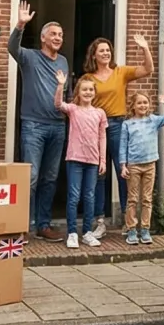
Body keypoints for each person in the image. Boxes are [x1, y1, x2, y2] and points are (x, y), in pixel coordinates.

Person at [74, 35, 155, 237]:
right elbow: (78, 102)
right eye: (101, 50)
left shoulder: (121, 72)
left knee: (123, 171)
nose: (105, 53)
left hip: (118, 125)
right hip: (97, 127)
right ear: (94, 54)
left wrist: (145, 48)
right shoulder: (88, 78)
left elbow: (148, 69)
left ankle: (129, 223)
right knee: (99, 174)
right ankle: (100, 221)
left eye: (108, 50)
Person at [9, 2, 70, 240]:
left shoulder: (63, 61)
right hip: (33, 125)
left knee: (50, 178)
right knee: (31, 178)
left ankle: (43, 225)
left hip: (58, 126)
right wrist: (21, 25)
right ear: (43, 38)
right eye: (53, 34)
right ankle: (22, 226)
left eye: (61, 35)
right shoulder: (30, 58)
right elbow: (12, 48)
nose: (58, 37)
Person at [53, 76, 109, 248]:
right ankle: (71, 233)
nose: (88, 92)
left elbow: (102, 136)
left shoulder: (100, 113)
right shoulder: (73, 109)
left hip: (92, 160)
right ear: (78, 91)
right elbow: (58, 104)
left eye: (91, 89)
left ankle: (87, 232)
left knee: (89, 196)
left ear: (94, 93)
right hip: (75, 159)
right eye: (84, 89)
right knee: (74, 196)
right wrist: (61, 85)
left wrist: (103, 160)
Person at [119, 90, 164, 244]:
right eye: (139, 103)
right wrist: (123, 165)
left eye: (145, 102)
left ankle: (145, 229)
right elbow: (123, 145)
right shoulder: (128, 124)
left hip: (150, 164)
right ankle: (131, 229)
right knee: (132, 199)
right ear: (133, 106)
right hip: (133, 166)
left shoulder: (154, 120)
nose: (143, 105)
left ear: (149, 105)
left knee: (147, 199)